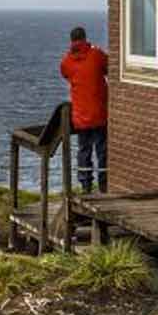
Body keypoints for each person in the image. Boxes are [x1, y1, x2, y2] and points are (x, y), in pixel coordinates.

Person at [60, 25, 109, 194]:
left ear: (72, 40)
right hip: (100, 112)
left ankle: (86, 185)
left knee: (84, 150)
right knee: (102, 149)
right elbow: (108, 67)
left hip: (81, 116)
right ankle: (104, 184)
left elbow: (65, 73)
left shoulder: (67, 61)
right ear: (85, 38)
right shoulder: (96, 55)